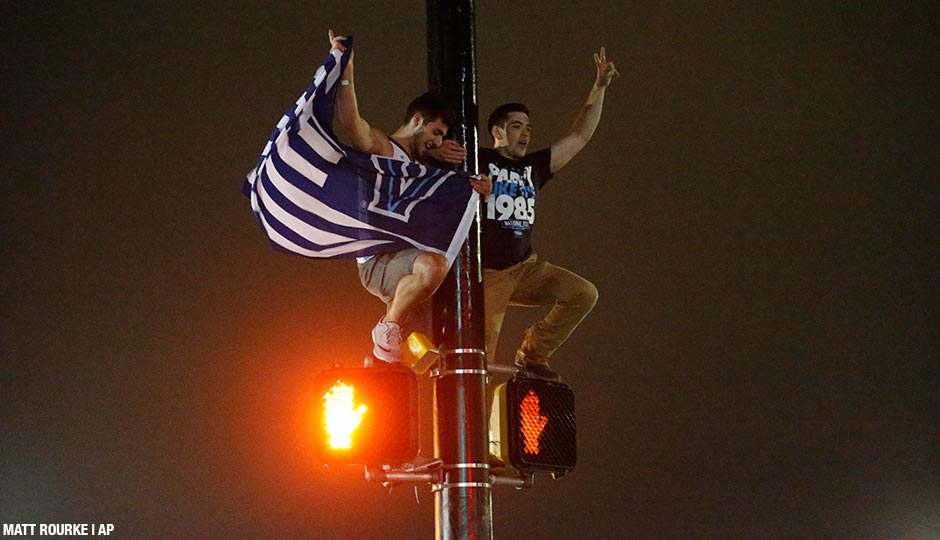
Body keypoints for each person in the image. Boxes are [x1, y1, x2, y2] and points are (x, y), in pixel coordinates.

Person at [329, 31, 492, 363]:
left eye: (443, 137)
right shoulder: (382, 148)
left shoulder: (422, 164)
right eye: (435, 132)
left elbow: (437, 192)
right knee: (434, 266)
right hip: (379, 262)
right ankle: (387, 328)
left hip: (407, 259)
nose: (437, 141)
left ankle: (389, 349)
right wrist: (345, 71)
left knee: (428, 357)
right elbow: (351, 123)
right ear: (417, 120)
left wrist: (475, 187)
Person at [480, 47, 619, 380]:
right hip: (489, 274)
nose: (526, 133)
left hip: (526, 267)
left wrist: (598, 88)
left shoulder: (534, 167)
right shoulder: (479, 159)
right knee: (479, 363)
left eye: (528, 127)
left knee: (583, 294)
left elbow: (579, 136)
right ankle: (477, 428)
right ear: (498, 132)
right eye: (517, 126)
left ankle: (532, 353)